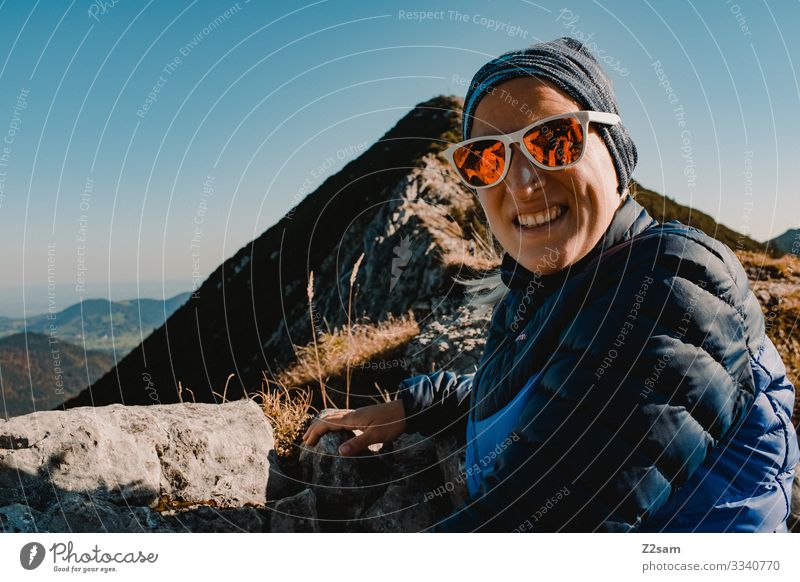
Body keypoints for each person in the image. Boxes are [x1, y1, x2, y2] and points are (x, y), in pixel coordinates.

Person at [302, 36, 799, 532]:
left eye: (554, 140)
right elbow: (541, 397)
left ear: (616, 153)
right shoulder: (550, 286)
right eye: (486, 160)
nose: (521, 183)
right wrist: (414, 405)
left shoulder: (675, 284)